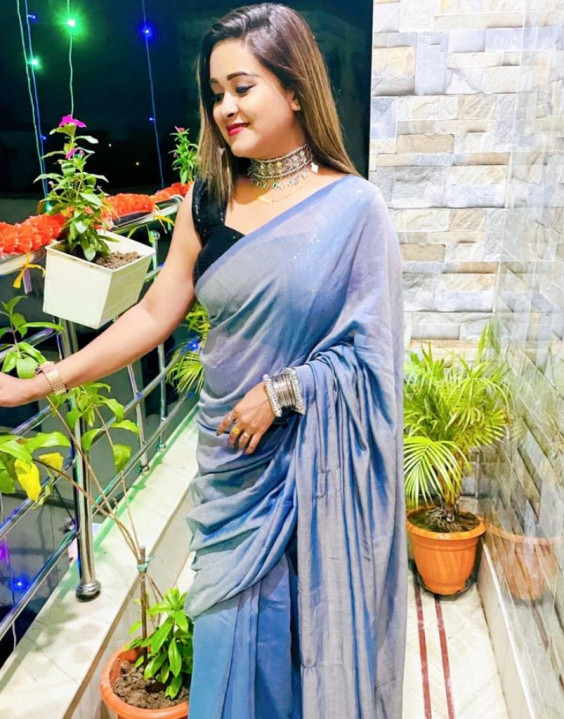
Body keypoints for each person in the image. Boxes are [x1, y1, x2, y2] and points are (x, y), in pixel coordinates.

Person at [0, 4, 406, 718]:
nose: (225, 108)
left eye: (242, 87)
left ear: (295, 89)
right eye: (216, 92)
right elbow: (154, 313)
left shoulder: (354, 209)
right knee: (227, 645)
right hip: (229, 472)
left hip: (306, 475)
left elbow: (374, 356)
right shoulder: (207, 201)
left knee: (302, 651)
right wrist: (43, 380)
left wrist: (286, 390)